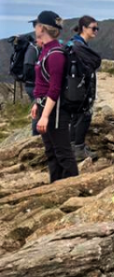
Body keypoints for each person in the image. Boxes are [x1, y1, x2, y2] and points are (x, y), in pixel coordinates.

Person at [29, 11, 78, 182]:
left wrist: (44, 116)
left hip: (56, 110)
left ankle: (72, 187)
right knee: (51, 151)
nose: (34, 28)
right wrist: (37, 103)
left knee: (62, 151)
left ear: (41, 27)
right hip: (46, 107)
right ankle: (56, 185)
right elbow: (43, 82)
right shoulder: (46, 50)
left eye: (36, 24)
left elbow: (55, 88)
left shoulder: (55, 54)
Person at [67, 16, 102, 160]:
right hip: (81, 88)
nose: (96, 31)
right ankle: (79, 149)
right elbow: (96, 60)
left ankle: (72, 147)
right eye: (93, 28)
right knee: (84, 116)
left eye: (97, 28)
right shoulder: (79, 46)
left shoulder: (73, 43)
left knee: (76, 117)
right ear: (83, 29)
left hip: (73, 87)